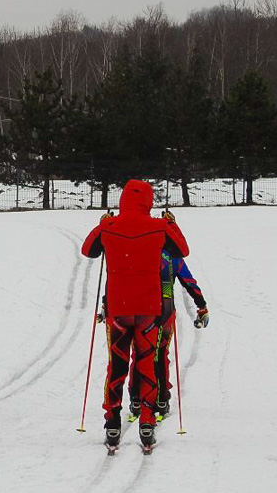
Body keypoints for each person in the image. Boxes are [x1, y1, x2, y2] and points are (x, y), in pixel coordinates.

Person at [81, 179, 189, 450]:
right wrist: (171, 222)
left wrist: (103, 222)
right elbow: (182, 251)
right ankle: (147, 423)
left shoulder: (109, 227)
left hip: (118, 309)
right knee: (147, 364)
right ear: (148, 201)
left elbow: (88, 250)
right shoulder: (159, 227)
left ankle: (112, 423)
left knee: (116, 365)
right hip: (149, 310)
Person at [126, 249, 209, 421]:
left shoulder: (139, 247)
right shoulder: (173, 255)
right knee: (160, 353)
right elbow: (188, 281)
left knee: (140, 353)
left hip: (139, 307)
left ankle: (136, 398)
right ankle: (162, 399)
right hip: (165, 307)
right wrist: (201, 306)